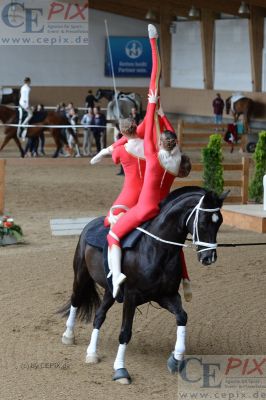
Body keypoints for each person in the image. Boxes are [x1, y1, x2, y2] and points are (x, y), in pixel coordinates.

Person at [106, 25, 188, 299]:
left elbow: (135, 145)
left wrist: (154, 108)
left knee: (113, 234)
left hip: (144, 206)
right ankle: (185, 280)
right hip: (165, 205)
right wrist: (157, 111)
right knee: (173, 240)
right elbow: (169, 136)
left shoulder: (148, 152)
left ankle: (116, 275)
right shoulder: (175, 160)